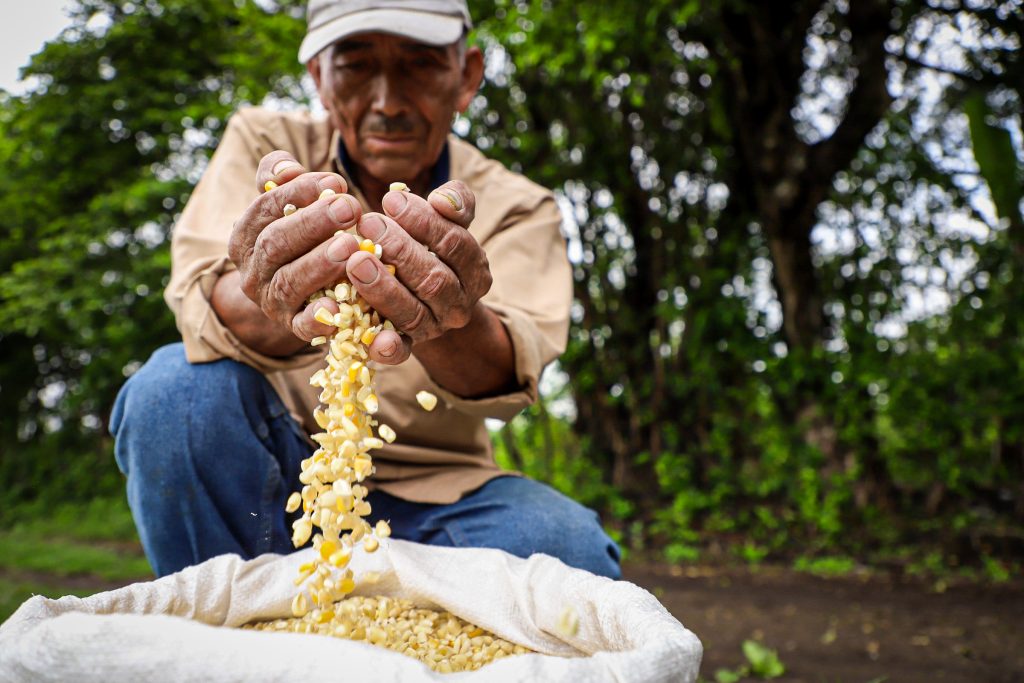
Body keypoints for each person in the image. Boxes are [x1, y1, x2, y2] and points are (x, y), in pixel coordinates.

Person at [110, 0, 620, 581]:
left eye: (420, 65)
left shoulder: (519, 205)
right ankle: (237, 643)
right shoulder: (264, 143)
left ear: (468, 75)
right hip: (275, 465)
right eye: (355, 67)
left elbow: (507, 371)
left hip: (442, 488)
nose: (388, 103)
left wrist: (446, 312)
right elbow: (200, 304)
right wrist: (279, 287)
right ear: (319, 79)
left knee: (571, 553)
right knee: (173, 394)